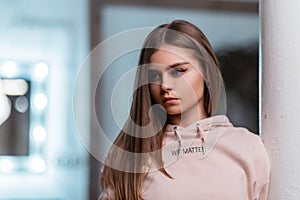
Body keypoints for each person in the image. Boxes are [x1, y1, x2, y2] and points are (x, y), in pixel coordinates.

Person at [99, 20, 270, 200]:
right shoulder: (128, 155)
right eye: (155, 76)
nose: (164, 85)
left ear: (207, 70)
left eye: (178, 71)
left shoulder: (248, 147)